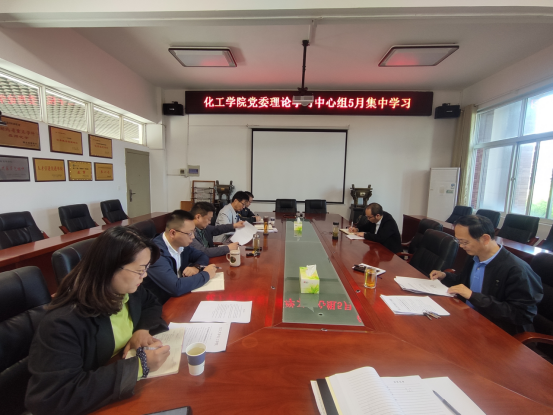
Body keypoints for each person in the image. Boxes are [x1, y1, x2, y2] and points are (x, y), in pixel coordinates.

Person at [26, 227, 171, 415]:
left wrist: (141, 330)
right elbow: (54, 398)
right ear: (110, 267)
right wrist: (139, 365)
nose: (144, 276)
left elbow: (151, 303)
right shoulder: (62, 323)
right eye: (140, 270)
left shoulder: (126, 291)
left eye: (146, 269)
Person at [430, 215, 543, 334]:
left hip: (497, 331)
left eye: (465, 242)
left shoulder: (517, 270)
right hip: (468, 318)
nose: (461, 246)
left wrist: (474, 296)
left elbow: (521, 314)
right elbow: (465, 282)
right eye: (459, 241)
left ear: (485, 239)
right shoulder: (474, 256)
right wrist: (445, 276)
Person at [144, 210, 217, 304]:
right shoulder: (155, 253)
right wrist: (206, 274)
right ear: (173, 233)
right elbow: (176, 287)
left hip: (180, 296)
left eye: (194, 232)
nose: (193, 237)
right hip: (161, 304)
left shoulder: (181, 245)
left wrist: (196, 267)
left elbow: (202, 255)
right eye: (189, 233)